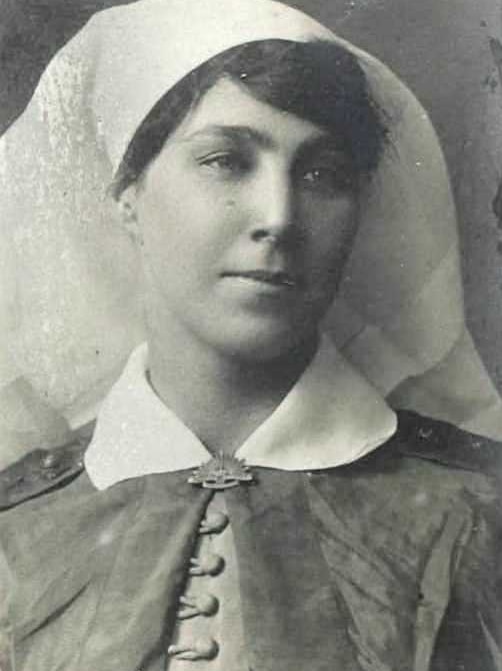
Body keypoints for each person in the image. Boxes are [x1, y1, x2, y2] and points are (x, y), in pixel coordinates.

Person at [0, 1, 501, 670]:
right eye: (226, 160)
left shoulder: (475, 512)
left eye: (323, 174)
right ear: (128, 198)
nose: (280, 216)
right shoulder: (18, 531)